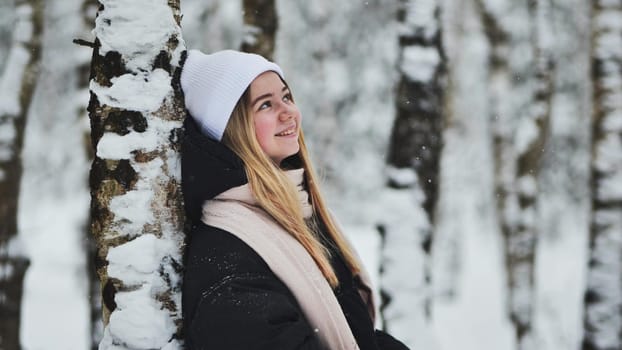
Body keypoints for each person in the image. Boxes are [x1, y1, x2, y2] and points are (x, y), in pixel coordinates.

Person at [180, 49, 409, 350]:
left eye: (286, 97)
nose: (288, 112)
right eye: (265, 105)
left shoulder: (296, 215)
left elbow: (358, 334)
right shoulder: (226, 255)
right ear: (232, 130)